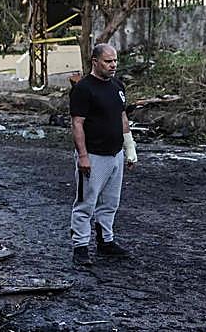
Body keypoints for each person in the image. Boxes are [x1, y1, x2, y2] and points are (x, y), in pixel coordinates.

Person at [68, 43, 138, 267]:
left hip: (115, 154)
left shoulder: (117, 86)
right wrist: (83, 156)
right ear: (95, 62)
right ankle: (80, 246)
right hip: (94, 155)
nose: (113, 65)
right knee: (85, 203)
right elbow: (77, 124)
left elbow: (122, 117)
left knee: (110, 202)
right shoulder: (83, 89)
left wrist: (130, 148)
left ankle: (106, 241)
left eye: (115, 60)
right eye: (108, 61)